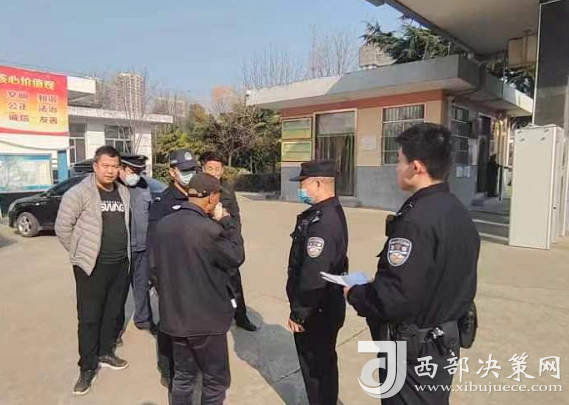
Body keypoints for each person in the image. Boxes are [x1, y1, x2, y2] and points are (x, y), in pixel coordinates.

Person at [346, 123, 480, 405]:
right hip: (444, 341)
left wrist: (356, 293)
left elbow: (393, 299)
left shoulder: (415, 221)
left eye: (400, 161)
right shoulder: (458, 212)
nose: (397, 169)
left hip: (412, 353)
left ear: (416, 167)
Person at [149, 173, 245, 405]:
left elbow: (153, 270)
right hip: (206, 321)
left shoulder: (163, 225)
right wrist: (226, 222)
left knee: (183, 377)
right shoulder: (210, 230)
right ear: (211, 198)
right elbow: (236, 256)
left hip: (175, 317)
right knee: (215, 381)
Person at [55, 145, 130, 396]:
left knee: (112, 313)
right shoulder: (78, 193)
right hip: (91, 267)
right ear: (95, 166)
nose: (110, 171)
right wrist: (79, 253)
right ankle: (87, 367)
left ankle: (105, 352)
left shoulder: (123, 191)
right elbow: (62, 227)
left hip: (119, 264)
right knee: (89, 318)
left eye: (114, 166)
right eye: (105, 166)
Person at [286, 160, 348, 405]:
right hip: (325, 305)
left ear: (319, 183)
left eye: (303, 184)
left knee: (316, 369)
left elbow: (314, 275)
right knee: (324, 365)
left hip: (316, 310)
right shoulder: (327, 212)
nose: (300, 189)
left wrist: (299, 314)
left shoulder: (323, 222)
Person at [147, 148, 201, 387]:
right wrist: (158, 281)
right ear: (172, 172)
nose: (190, 174)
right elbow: (153, 246)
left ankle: (191, 363)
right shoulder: (162, 203)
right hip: (171, 278)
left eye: (193, 170)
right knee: (169, 326)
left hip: (195, 276)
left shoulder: (198, 196)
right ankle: (166, 367)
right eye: (185, 170)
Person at [201, 151, 257, 332]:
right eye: (210, 168)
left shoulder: (227, 187)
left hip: (225, 240)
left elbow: (235, 214)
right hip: (206, 242)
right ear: (203, 168)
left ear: (222, 170)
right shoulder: (196, 187)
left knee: (233, 281)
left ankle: (241, 316)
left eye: (217, 169)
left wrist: (235, 235)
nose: (214, 172)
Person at [114, 154, 156, 347]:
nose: (136, 175)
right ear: (121, 169)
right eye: (133, 171)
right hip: (122, 250)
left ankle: (144, 319)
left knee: (142, 286)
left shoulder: (143, 185)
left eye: (139, 171)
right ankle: (114, 330)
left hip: (142, 247)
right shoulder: (112, 188)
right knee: (118, 292)